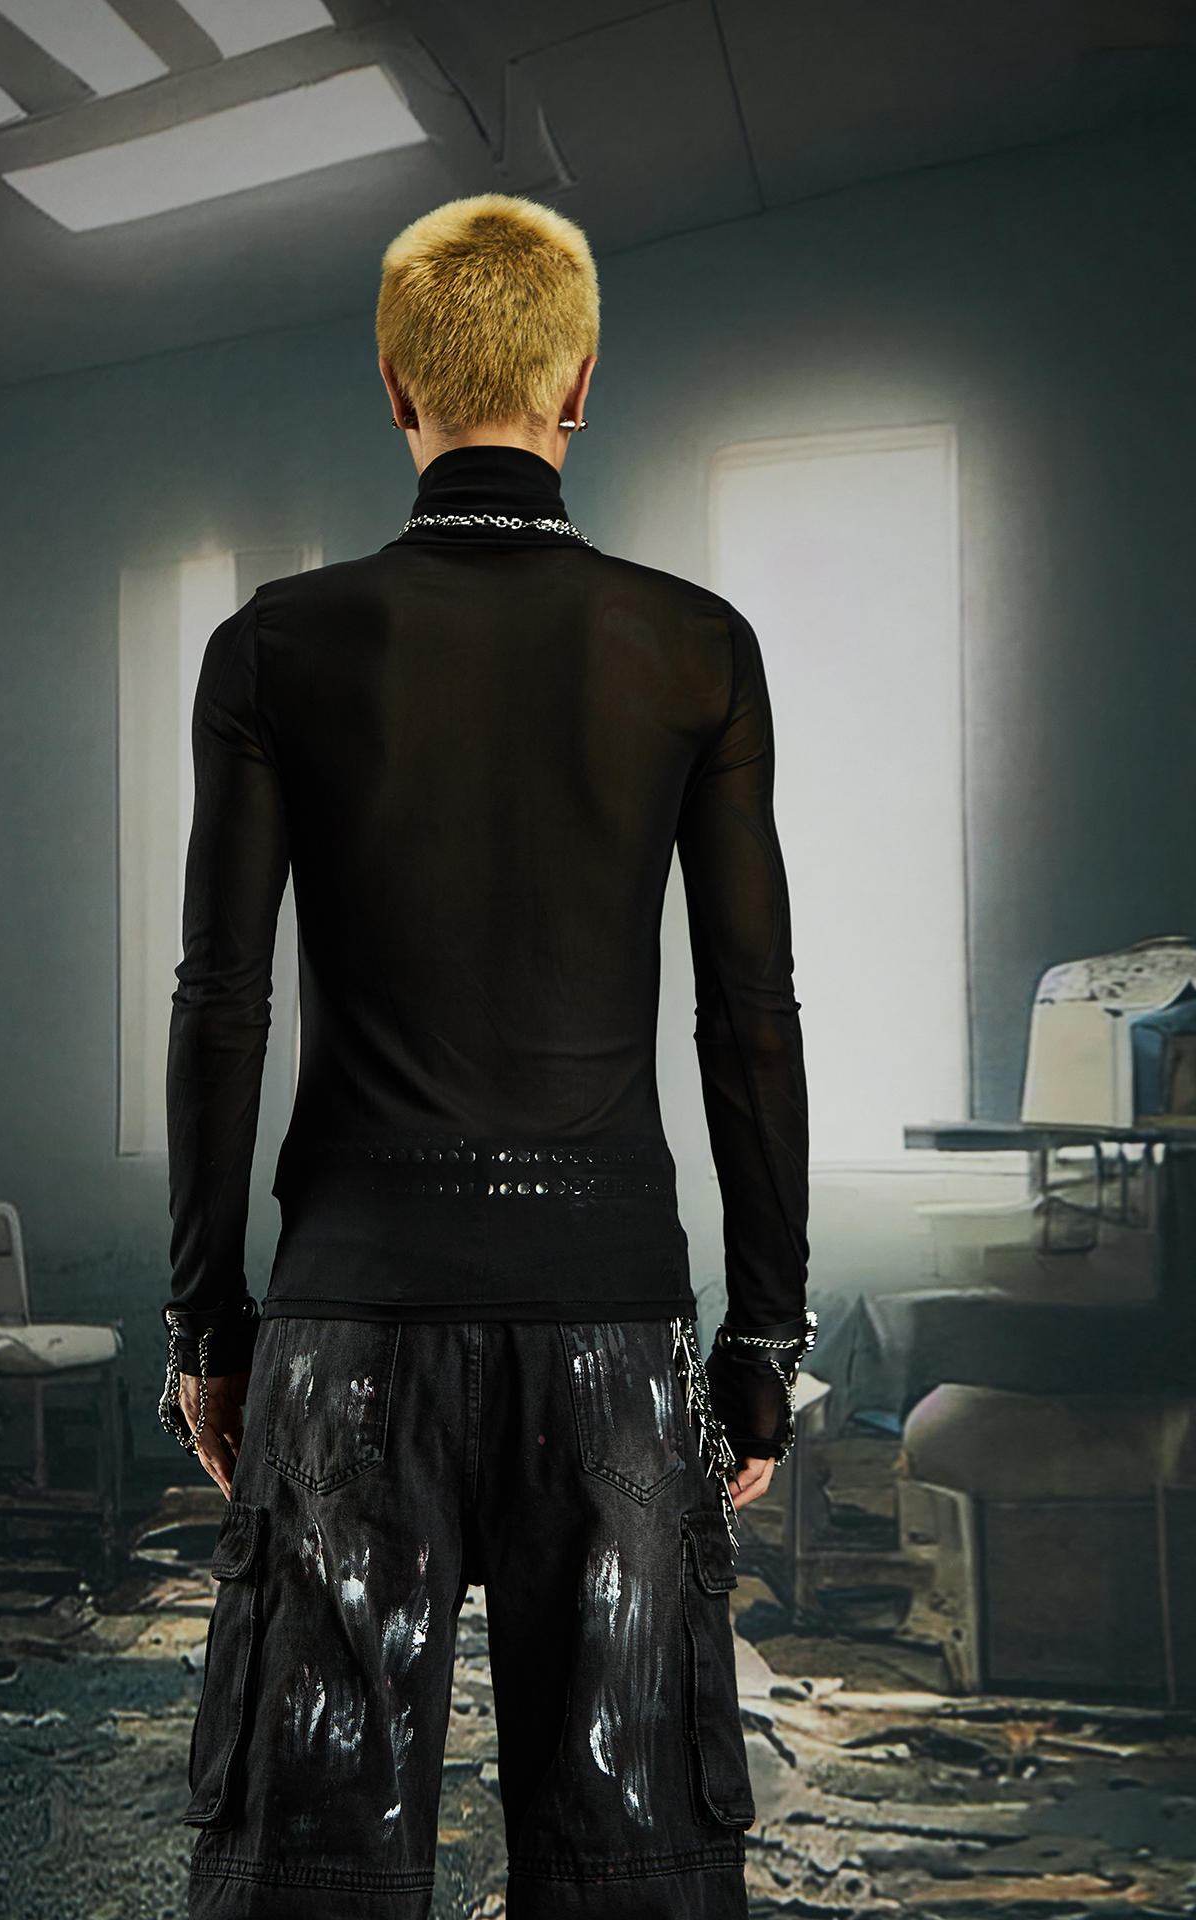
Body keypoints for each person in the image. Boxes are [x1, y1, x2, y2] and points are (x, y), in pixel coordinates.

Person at [159, 194, 812, 1920]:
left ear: (396, 387)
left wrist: (207, 1329)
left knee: (308, 1874)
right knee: (633, 1869)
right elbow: (750, 1012)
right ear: (579, 384)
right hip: (608, 1331)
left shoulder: (276, 645)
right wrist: (763, 1336)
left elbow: (222, 1001)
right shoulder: (696, 646)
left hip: (350, 1325)